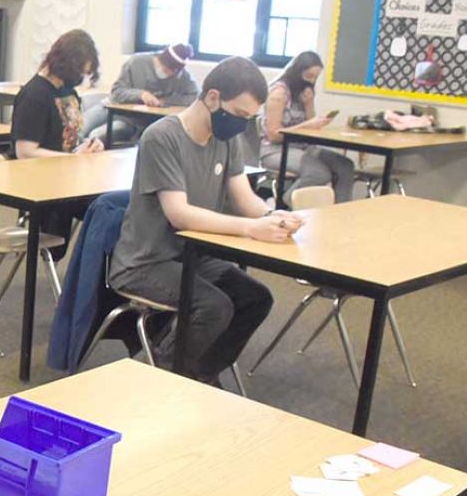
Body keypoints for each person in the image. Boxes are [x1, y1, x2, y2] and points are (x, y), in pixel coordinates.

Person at [108, 56, 303, 383]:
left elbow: (244, 199)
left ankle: (199, 376)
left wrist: (274, 216)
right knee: (214, 307)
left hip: (191, 256)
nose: (241, 124)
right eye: (240, 114)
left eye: (249, 118)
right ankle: (164, 375)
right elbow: (179, 213)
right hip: (145, 263)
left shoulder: (226, 139)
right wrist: (252, 228)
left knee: (256, 299)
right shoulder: (163, 137)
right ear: (212, 97)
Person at [12, 29, 106, 252]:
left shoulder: (67, 92)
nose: (80, 79)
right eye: (80, 72)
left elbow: (71, 139)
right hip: (42, 181)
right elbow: (25, 152)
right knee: (104, 210)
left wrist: (87, 147)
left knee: (112, 206)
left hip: (69, 176)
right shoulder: (35, 95)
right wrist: (72, 158)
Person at [259, 50, 355, 203]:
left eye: (315, 78)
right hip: (275, 150)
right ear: (297, 72)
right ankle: (287, 200)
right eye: (309, 76)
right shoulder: (278, 93)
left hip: (304, 147)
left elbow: (310, 127)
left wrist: (309, 104)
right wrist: (307, 125)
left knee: (345, 166)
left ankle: (340, 212)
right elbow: (273, 134)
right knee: (319, 173)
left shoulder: (303, 92)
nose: (311, 81)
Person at [91, 42, 200, 145]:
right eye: (166, 69)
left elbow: (195, 97)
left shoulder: (182, 77)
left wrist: (165, 101)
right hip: (108, 107)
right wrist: (141, 95)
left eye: (173, 72)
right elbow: (116, 92)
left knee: (95, 136)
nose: (168, 73)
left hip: (130, 121)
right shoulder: (136, 62)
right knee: (80, 129)